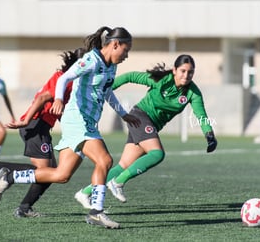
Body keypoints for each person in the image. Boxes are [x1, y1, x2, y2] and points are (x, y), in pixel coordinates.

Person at [0, 26, 140, 229]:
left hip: (87, 123)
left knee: (61, 175)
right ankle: (96, 212)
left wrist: (124, 114)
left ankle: (11, 176)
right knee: (104, 160)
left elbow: (107, 93)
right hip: (77, 120)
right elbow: (64, 78)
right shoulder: (91, 60)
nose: (126, 55)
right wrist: (59, 99)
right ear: (115, 44)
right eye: (126, 50)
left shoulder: (111, 66)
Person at [74, 54, 217, 208]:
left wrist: (209, 135)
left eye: (190, 72)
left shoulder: (192, 92)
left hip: (150, 126)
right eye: (183, 71)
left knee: (123, 165)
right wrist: (105, 89)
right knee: (157, 153)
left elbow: (200, 114)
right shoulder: (162, 80)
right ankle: (117, 182)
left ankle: (85, 192)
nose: (186, 75)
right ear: (174, 70)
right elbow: (130, 76)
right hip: (140, 116)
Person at [0, 48, 84, 218]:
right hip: (35, 125)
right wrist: (25, 121)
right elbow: (42, 98)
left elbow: (56, 107)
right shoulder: (67, 80)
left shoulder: (66, 78)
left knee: (50, 172)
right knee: (48, 172)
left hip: (40, 126)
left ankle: (23, 207)